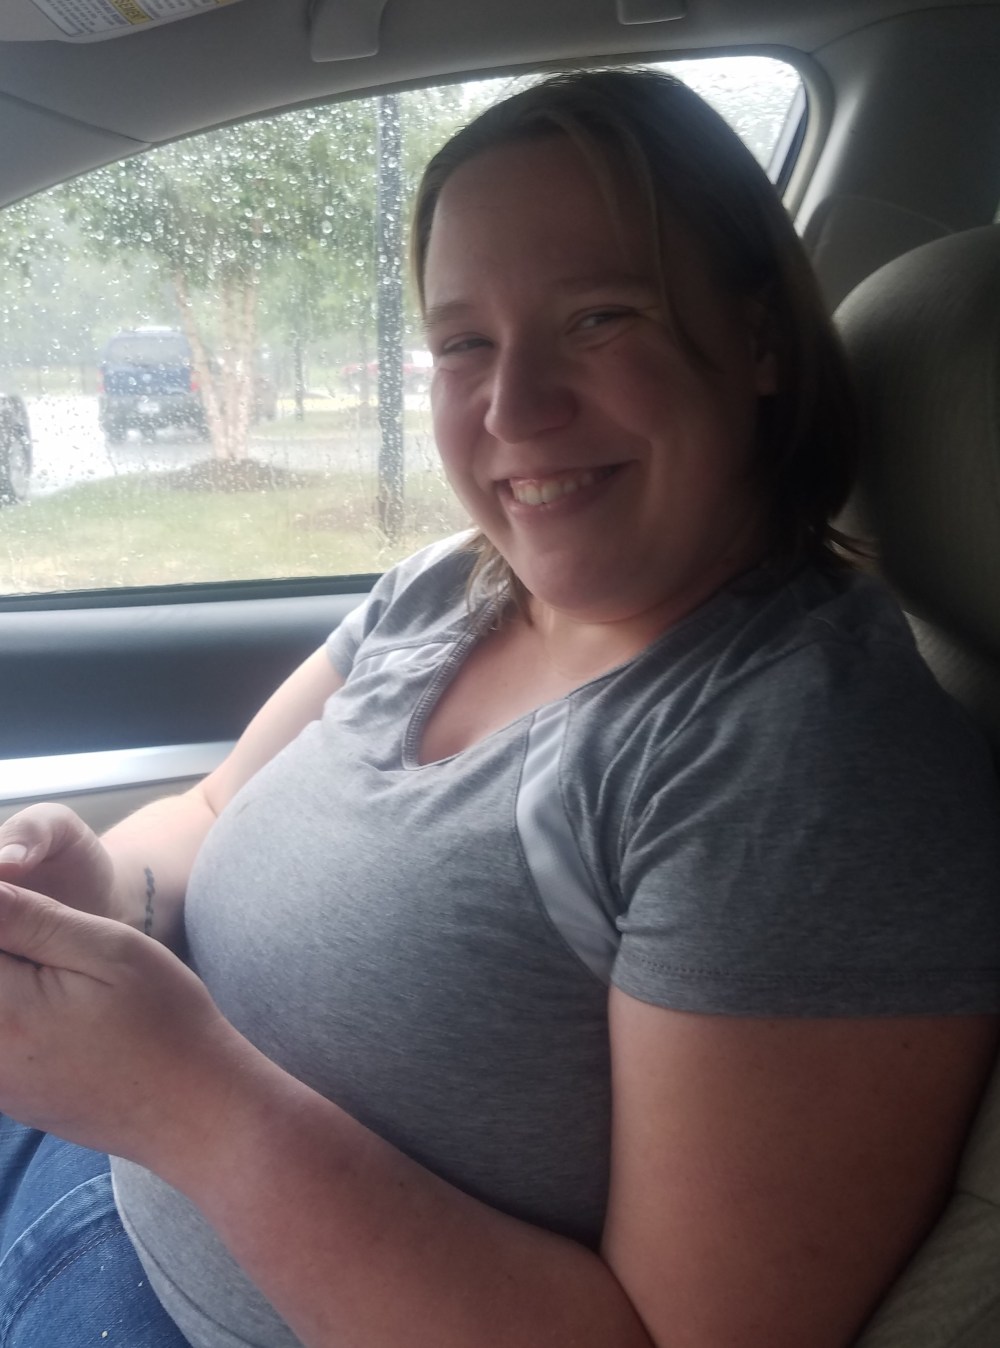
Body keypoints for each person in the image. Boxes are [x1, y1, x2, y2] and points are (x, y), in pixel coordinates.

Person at [1, 66, 1000, 1348]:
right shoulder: (452, 588)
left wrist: (183, 1099)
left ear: (757, 338)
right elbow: (206, 810)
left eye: (599, 318)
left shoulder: (804, 765)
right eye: (463, 340)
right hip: (90, 1154)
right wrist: (97, 886)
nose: (514, 409)